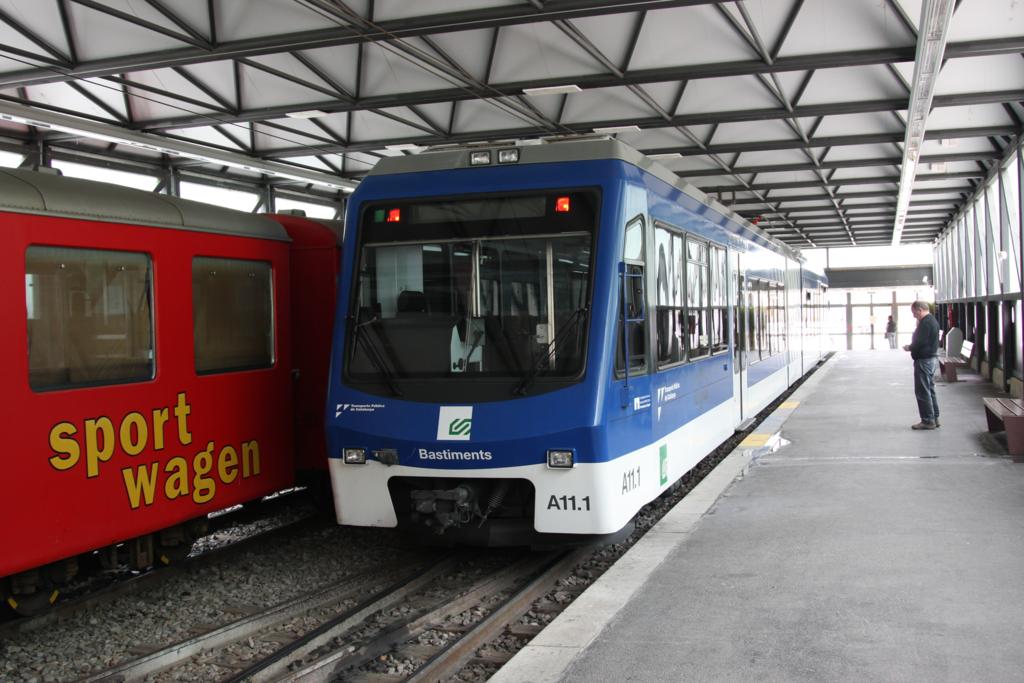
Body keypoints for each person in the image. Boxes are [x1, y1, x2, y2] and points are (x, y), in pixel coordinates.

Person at [903, 301, 940, 430]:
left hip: (924, 360)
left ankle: (928, 420)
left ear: (920, 310)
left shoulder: (926, 323)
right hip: (930, 359)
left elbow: (920, 341)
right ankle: (934, 417)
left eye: (914, 312)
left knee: (923, 391)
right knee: (929, 389)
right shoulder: (932, 321)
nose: (914, 315)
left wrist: (910, 347)